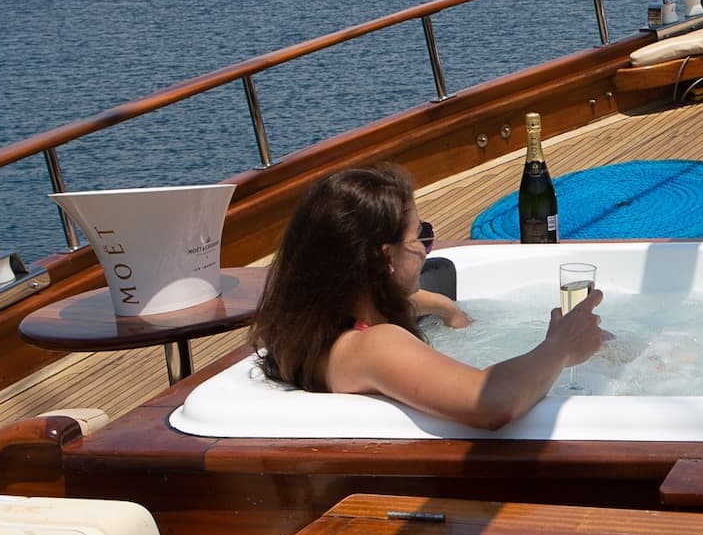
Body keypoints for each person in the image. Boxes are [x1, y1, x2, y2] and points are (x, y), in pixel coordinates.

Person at [251, 165, 605, 429]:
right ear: (386, 257)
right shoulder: (372, 346)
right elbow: (493, 401)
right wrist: (561, 347)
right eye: (420, 236)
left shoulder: (312, 335)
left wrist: (443, 306)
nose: (424, 250)